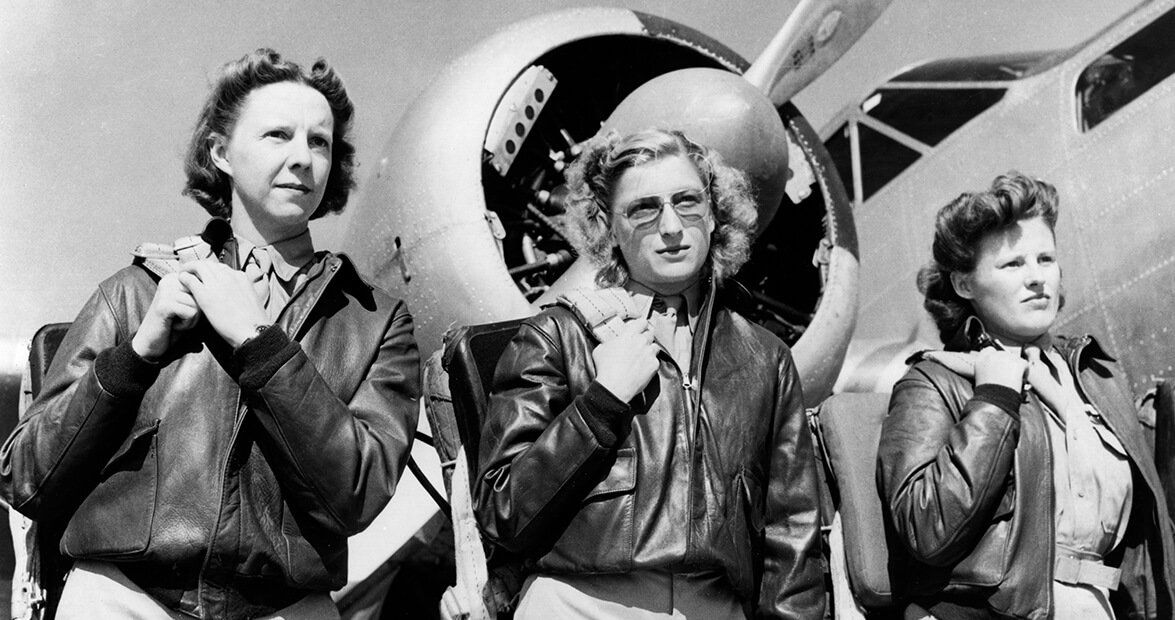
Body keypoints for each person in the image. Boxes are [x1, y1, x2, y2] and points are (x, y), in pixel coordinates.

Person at [1, 49, 421, 619]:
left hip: (289, 607)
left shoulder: (375, 321)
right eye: (278, 135)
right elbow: (27, 477)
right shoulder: (133, 292)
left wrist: (260, 341)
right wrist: (137, 354)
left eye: (319, 142)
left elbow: (358, 497)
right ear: (220, 152)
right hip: (123, 600)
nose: (303, 158)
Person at [474, 129, 825, 618]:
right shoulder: (556, 336)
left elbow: (793, 537)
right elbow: (502, 512)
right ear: (607, 227)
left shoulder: (766, 358)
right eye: (643, 209)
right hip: (579, 605)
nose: (672, 227)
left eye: (688, 202)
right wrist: (601, 401)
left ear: (714, 212)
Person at [878, 172, 1175, 618]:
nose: (1037, 278)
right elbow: (927, 528)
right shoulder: (934, 382)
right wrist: (994, 399)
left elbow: (1146, 539)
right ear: (964, 284)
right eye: (1013, 264)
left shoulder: (1098, 376)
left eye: (1046, 258)